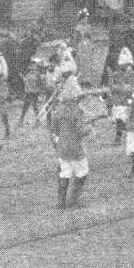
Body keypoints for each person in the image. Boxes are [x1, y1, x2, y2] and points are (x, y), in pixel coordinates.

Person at [50, 76, 91, 209]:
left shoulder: (58, 110)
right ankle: (73, 200)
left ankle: (60, 203)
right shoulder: (76, 110)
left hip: (62, 147)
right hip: (75, 147)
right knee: (82, 172)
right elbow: (80, 131)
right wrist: (88, 129)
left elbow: (54, 129)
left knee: (65, 173)